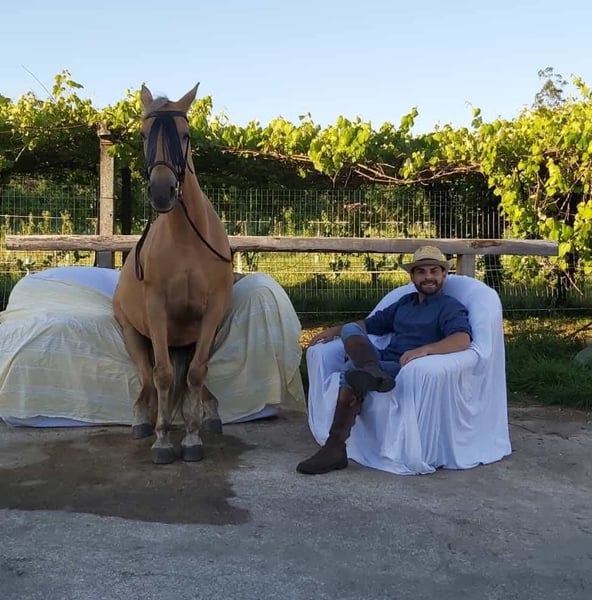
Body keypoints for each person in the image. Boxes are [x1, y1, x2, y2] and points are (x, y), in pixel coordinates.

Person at [296, 245, 473, 475]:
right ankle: (370, 370)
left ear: (444, 275)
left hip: (405, 366)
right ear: (412, 277)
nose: (428, 277)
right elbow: (371, 324)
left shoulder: (449, 307)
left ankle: (334, 447)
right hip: (381, 359)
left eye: (434, 271)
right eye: (421, 272)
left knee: (351, 370)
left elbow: (462, 339)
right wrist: (334, 330)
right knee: (350, 329)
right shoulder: (406, 302)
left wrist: (426, 350)